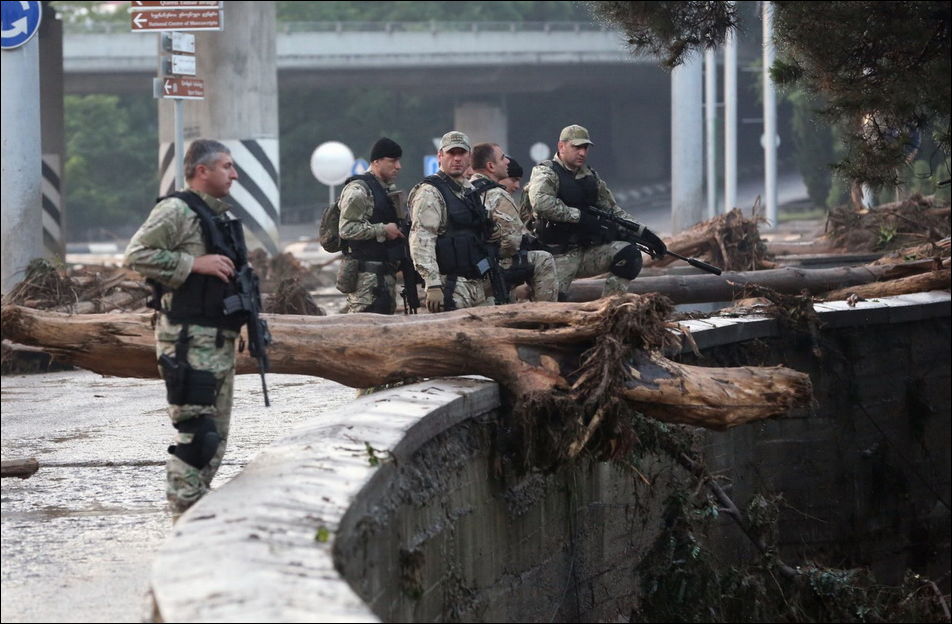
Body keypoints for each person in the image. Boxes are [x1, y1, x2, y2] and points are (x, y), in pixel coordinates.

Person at [124, 139, 254, 515]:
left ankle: (194, 510)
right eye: (227, 166)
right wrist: (192, 264)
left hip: (216, 339)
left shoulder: (217, 216)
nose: (235, 174)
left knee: (216, 438)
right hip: (186, 340)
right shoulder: (178, 211)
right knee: (198, 434)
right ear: (203, 171)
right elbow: (137, 255)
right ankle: (181, 514)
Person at [526, 124, 650, 300]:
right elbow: (541, 203)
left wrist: (641, 230)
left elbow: (611, 208)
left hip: (587, 253)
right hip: (557, 257)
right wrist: (580, 217)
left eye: (585, 148)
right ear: (561, 146)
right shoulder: (546, 172)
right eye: (576, 147)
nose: (582, 153)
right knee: (550, 312)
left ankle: (609, 310)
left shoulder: (590, 176)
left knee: (629, 256)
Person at [408, 131, 494, 312]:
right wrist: (432, 284)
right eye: (451, 153)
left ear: (469, 157)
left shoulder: (469, 191)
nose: (457, 159)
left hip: (478, 282)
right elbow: (422, 240)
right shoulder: (430, 193)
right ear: (440, 156)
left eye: (461, 153)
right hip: (451, 284)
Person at [469, 143, 558, 302]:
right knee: (543, 259)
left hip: (468, 267)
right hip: (487, 270)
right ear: (490, 166)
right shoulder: (498, 194)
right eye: (502, 158)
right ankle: (546, 317)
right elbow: (512, 242)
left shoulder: (465, 189)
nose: (507, 162)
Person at [337, 137, 407, 314]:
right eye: (392, 161)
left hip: (385, 277)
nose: (398, 166)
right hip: (366, 282)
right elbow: (346, 229)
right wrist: (382, 229)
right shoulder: (358, 190)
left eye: (398, 161)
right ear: (376, 162)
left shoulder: (386, 190)